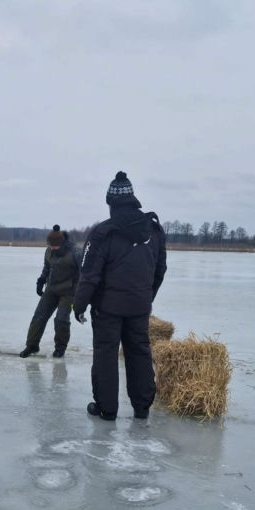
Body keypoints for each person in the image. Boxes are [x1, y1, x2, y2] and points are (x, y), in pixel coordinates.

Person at [73, 171, 166, 420]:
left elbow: (89, 273)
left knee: (105, 353)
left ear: (110, 202)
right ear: (133, 198)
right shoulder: (154, 230)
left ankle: (107, 408)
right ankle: (142, 407)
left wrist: (79, 304)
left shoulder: (103, 232)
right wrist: (147, 296)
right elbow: (160, 270)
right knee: (139, 352)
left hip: (108, 308)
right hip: (138, 305)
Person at [20, 224, 81, 358]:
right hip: (51, 289)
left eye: (54, 246)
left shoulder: (75, 252)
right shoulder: (49, 251)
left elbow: (85, 272)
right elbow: (47, 267)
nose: (51, 248)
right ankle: (31, 346)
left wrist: (83, 293)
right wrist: (41, 280)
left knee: (61, 319)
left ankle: (60, 348)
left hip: (69, 292)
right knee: (39, 316)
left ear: (62, 243)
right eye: (50, 246)